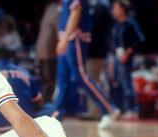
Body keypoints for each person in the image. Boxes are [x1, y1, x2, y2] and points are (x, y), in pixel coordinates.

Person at [55, 0, 120, 129]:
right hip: (66, 38)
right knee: (63, 82)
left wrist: (65, 39)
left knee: (81, 77)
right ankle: (55, 115)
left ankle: (109, 109)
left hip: (74, 39)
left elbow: (75, 13)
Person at [0, 47, 58, 137]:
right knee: (52, 109)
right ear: (10, 59)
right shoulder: (24, 72)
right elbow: (38, 102)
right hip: (24, 127)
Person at [111, 0, 139, 120]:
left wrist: (127, 54)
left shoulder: (130, 24)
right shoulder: (116, 25)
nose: (113, 11)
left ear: (122, 9)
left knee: (127, 85)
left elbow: (137, 41)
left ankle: (131, 110)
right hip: (117, 57)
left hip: (126, 58)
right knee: (117, 84)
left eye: (116, 8)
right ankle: (120, 109)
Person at [35, 0, 61, 103]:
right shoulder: (57, 10)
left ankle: (43, 103)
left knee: (44, 80)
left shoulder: (49, 8)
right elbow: (59, 30)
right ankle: (45, 105)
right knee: (49, 81)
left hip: (41, 49)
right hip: (49, 51)